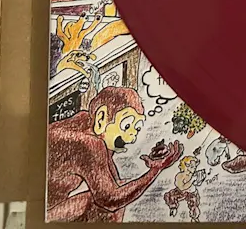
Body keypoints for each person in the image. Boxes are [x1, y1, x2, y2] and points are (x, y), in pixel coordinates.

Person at [47, 86, 182, 222]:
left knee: (122, 191)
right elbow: (109, 200)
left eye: (136, 128)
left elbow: (114, 184)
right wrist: (155, 170)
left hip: (47, 206)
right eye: (126, 126)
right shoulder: (88, 143)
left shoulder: (88, 122)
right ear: (101, 118)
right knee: (104, 206)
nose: (132, 137)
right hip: (44, 213)